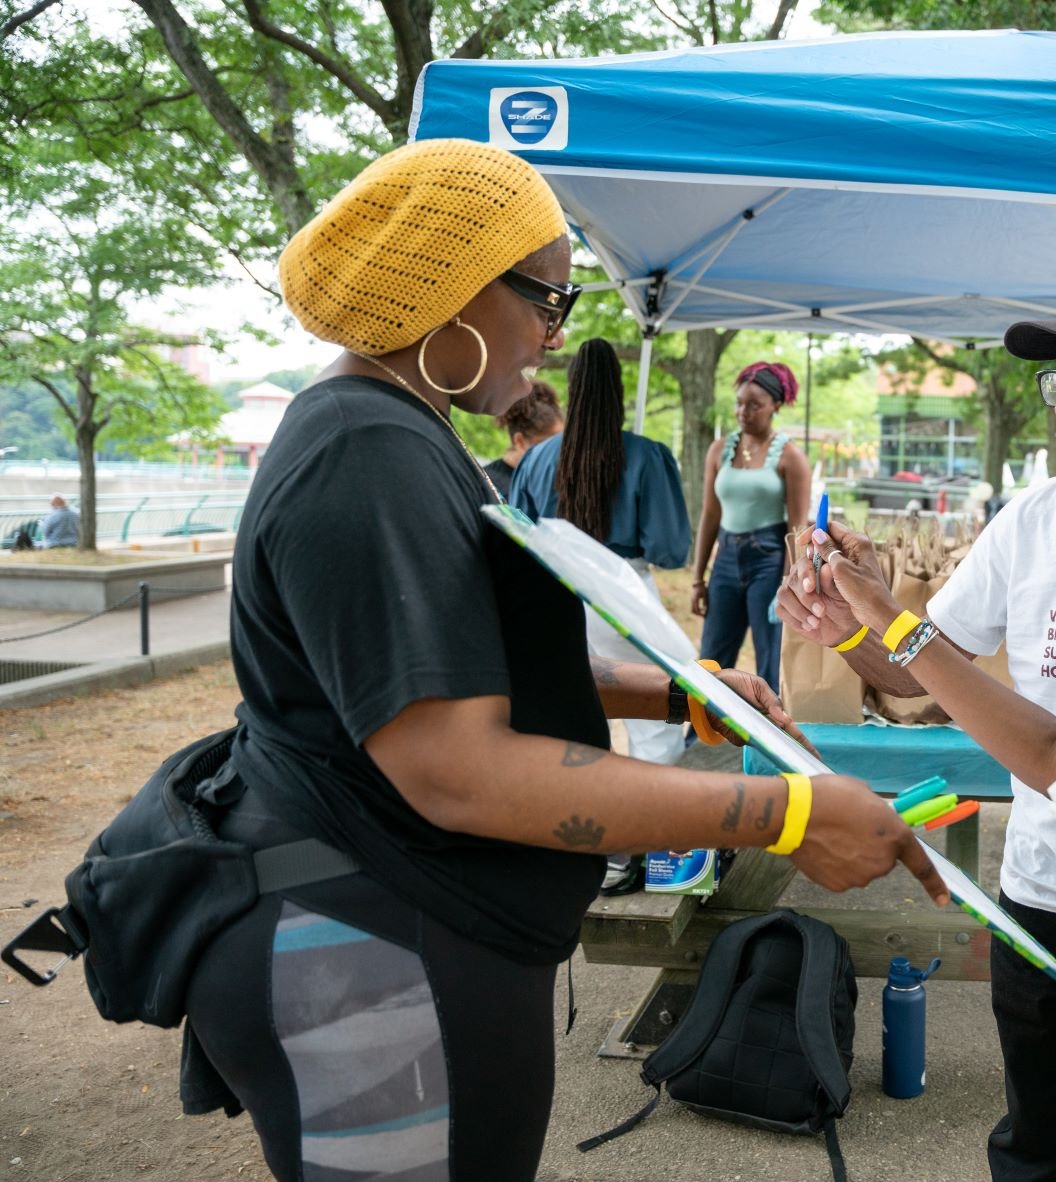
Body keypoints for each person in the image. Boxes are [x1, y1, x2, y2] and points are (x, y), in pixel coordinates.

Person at [181, 139, 945, 1182]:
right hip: (362, 958)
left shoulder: (407, 432)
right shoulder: (366, 451)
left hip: (402, 928)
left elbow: (443, 668)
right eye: (548, 297)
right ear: (454, 293)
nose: (556, 331)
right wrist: (788, 815)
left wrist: (673, 689)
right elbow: (457, 767)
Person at [780, 283, 1056, 1182]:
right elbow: (922, 678)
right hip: (1041, 895)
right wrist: (850, 621)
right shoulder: (1030, 521)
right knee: (1035, 1141)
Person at [511, 337, 694, 892]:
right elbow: (670, 550)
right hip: (620, 595)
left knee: (567, 722)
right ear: (616, 392)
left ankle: (576, 842)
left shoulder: (540, 457)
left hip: (552, 594)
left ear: (571, 391)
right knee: (656, 722)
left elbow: (515, 532)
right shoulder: (646, 455)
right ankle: (637, 848)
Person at [692, 360, 810, 694]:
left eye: (754, 405)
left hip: (769, 561)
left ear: (775, 405)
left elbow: (797, 529)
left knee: (770, 659)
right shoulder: (719, 450)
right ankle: (700, 740)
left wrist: (790, 584)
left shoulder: (790, 457)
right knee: (712, 659)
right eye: (740, 403)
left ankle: (768, 737)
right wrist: (698, 578)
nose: (744, 411)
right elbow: (709, 515)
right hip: (726, 560)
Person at [482, 378, 563, 498]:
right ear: (519, 441)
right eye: (545, 445)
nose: (555, 452)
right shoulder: (489, 487)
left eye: (559, 443)